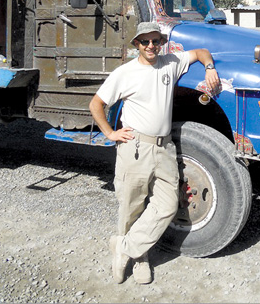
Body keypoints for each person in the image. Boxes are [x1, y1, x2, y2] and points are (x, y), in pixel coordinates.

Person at [89, 21, 220, 285]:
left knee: (168, 205)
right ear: (137, 44)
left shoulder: (170, 62)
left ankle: (124, 247)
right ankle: (140, 258)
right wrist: (110, 133)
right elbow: (96, 104)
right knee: (131, 206)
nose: (151, 46)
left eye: (156, 41)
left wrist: (210, 68)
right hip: (136, 148)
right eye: (145, 41)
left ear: (161, 43)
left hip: (165, 147)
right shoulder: (125, 73)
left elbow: (202, 51)